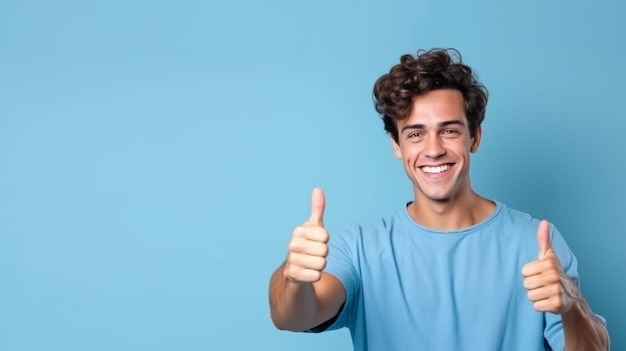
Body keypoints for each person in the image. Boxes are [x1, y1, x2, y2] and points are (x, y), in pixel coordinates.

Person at [268, 48, 609, 350]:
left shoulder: (537, 243)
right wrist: (293, 278)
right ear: (397, 146)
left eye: (449, 130)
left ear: (474, 137)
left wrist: (571, 306)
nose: (433, 149)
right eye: (415, 134)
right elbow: (292, 317)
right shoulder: (359, 249)